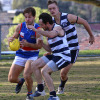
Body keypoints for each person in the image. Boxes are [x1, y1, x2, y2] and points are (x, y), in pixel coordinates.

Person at [47, 0, 95, 94]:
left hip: (72, 49)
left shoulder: (68, 17)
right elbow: (50, 35)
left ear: (58, 8)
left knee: (63, 74)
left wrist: (91, 35)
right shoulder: (51, 22)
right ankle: (43, 84)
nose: (52, 10)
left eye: (54, 8)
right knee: (47, 69)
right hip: (60, 50)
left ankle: (61, 85)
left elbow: (84, 22)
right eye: (50, 9)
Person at [27, 13, 71, 100]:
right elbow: (50, 49)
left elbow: (51, 34)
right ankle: (40, 90)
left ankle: (53, 96)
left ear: (47, 23)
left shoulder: (57, 28)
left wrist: (35, 29)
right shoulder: (47, 34)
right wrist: (42, 44)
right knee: (34, 64)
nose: (41, 26)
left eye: (42, 25)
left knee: (44, 71)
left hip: (64, 57)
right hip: (55, 55)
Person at [8, 7, 42, 100]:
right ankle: (20, 82)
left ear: (34, 17)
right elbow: (14, 39)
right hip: (20, 54)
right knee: (11, 79)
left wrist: (27, 44)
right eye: (26, 17)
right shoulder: (20, 26)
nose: (27, 19)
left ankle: (29, 94)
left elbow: (39, 46)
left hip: (32, 55)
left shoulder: (37, 29)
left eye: (29, 17)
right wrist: (10, 41)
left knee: (27, 74)